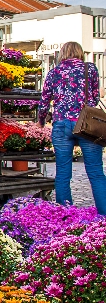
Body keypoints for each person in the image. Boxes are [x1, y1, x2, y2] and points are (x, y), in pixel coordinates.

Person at [38, 41, 106, 215]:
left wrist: (41, 121)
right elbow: (95, 97)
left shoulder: (54, 72)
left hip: (61, 124)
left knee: (62, 173)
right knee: (96, 173)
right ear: (79, 52)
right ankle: (104, 215)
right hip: (86, 124)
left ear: (62, 53)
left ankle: (66, 215)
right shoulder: (89, 69)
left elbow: (44, 100)